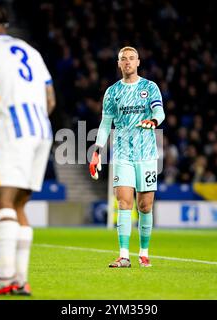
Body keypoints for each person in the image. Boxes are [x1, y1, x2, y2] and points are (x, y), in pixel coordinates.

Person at [0, 4, 55, 297]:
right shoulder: (30, 50)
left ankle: (4, 277)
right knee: (18, 206)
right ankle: (20, 280)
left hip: (14, 128)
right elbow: (50, 99)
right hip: (42, 129)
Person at [89, 47, 165, 268]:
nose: (128, 62)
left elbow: (159, 112)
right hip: (122, 153)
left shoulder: (149, 87)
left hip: (147, 154)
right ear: (119, 64)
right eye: (124, 59)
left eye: (132, 58)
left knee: (145, 206)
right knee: (123, 202)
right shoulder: (112, 92)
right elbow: (105, 124)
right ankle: (124, 255)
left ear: (138, 62)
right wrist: (97, 151)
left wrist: (154, 121)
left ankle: (144, 252)